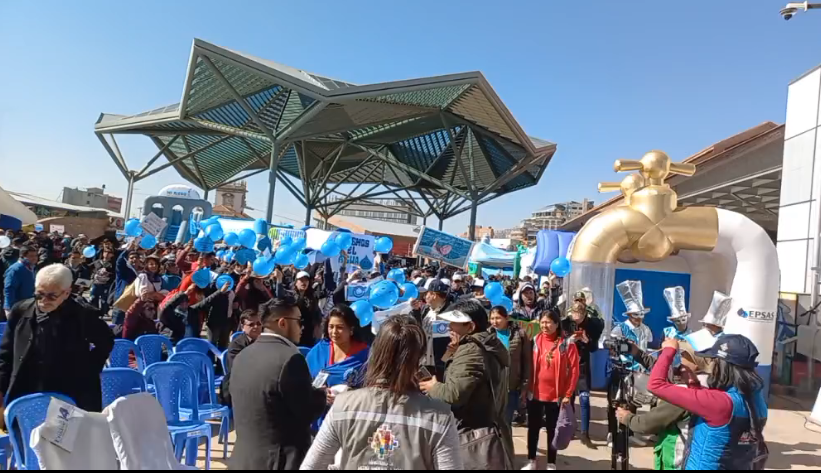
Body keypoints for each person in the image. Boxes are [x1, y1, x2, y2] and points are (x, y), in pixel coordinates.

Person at [300, 315, 463, 470]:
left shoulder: (343, 405)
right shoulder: (438, 416)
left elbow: (311, 466)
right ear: (418, 359)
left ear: (375, 354)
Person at [0, 264, 114, 415]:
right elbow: (6, 353)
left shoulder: (83, 314)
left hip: (69, 391)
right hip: (27, 388)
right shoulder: (20, 311)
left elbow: (106, 341)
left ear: (66, 293)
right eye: (39, 294)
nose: (44, 300)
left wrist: (89, 368)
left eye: (52, 296)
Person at [229, 296, 327, 470]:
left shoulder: (242, 356)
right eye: (298, 320)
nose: (302, 327)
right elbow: (305, 411)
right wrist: (324, 395)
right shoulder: (290, 358)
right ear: (282, 323)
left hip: (243, 460)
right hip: (279, 461)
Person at [648, 335, 769, 470]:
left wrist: (668, 350)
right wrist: (694, 385)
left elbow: (656, 385)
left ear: (723, 366)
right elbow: (723, 426)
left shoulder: (721, 403)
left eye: (714, 362)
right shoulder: (757, 401)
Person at [419, 299, 513, 470]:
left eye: (455, 323)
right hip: (487, 429)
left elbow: (454, 394)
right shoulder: (485, 343)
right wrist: (452, 352)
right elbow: (456, 374)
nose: (449, 327)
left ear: (470, 327)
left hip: (471, 436)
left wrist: (433, 387)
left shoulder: (471, 350)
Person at [615, 341, 700, 470]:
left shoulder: (684, 394)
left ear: (698, 364)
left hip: (677, 462)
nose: (679, 365)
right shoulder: (694, 381)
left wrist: (626, 417)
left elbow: (646, 424)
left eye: (684, 357)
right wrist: (637, 353)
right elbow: (661, 370)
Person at [522, 308, 580, 471]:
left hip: (556, 396)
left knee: (552, 429)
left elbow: (574, 370)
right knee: (532, 428)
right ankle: (531, 460)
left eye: (548, 322)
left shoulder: (566, 344)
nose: (544, 325)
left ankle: (551, 463)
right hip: (535, 393)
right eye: (542, 322)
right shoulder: (534, 340)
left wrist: (568, 393)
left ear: (556, 324)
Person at [305, 304, 370, 429]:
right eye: (331, 327)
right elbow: (304, 381)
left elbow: (372, 390)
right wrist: (318, 393)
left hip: (349, 423)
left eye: (340, 327)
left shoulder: (365, 355)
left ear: (351, 329)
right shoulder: (319, 350)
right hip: (319, 422)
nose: (334, 332)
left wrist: (349, 395)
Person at [561, 299, 604, 450]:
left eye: (579, 314)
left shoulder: (592, 325)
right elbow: (560, 345)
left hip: (583, 366)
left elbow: (593, 349)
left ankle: (585, 433)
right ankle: (571, 428)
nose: (576, 316)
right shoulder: (565, 323)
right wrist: (570, 340)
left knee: (585, 399)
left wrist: (586, 340)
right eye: (574, 313)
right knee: (570, 399)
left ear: (584, 314)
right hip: (568, 365)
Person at [489, 305, 532, 425]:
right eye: (492, 318)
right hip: (492, 388)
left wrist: (524, 386)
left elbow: (527, 362)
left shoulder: (520, 335)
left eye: (498, 318)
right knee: (492, 424)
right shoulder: (487, 335)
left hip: (511, 387)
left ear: (506, 318)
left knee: (505, 423)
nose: (494, 321)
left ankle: (505, 444)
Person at [219, 310, 263, 407]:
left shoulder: (265, 341)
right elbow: (238, 369)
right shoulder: (236, 345)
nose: (256, 327)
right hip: (238, 386)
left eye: (259, 323)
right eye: (251, 324)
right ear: (243, 327)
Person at [412, 279, 452, 379]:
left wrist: (442, 364)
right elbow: (420, 328)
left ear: (433, 295)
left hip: (437, 367)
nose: (425, 297)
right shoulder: (426, 309)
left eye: (426, 294)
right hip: (422, 362)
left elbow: (447, 343)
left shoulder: (448, 313)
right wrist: (416, 312)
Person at [3, 245, 37, 318]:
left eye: (35, 255)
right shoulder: (15, 269)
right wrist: (9, 307)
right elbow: (9, 288)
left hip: (29, 305)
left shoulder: (32, 268)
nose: (34, 258)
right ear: (22, 256)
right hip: (17, 307)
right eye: (31, 256)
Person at [112, 240, 141, 325]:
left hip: (134, 304)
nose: (134, 259)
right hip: (121, 301)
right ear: (127, 260)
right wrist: (128, 250)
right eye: (131, 258)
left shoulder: (141, 273)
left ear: (140, 260)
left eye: (136, 258)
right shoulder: (123, 271)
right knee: (117, 326)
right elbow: (119, 262)